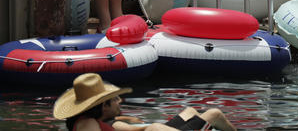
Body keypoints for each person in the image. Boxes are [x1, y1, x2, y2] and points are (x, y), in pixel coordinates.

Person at [53, 72, 236, 130]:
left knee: (189, 111)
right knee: (214, 113)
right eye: (115, 99)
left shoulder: (92, 121)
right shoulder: (88, 123)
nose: (120, 101)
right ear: (103, 105)